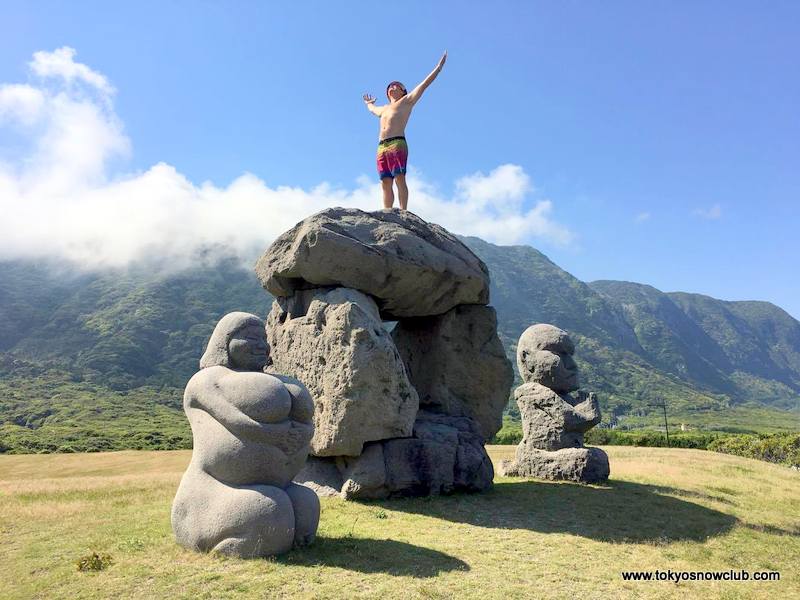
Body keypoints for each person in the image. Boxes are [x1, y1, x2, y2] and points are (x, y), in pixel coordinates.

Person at [363, 51, 447, 210]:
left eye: (396, 85)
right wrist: (368, 103)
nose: (392, 87)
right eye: (389, 86)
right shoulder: (384, 108)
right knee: (385, 181)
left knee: (399, 177)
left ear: (403, 91)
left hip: (397, 143)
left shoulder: (406, 102)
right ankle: (387, 211)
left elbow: (424, 85)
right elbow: (372, 109)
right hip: (382, 146)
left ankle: (403, 211)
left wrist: (438, 68)